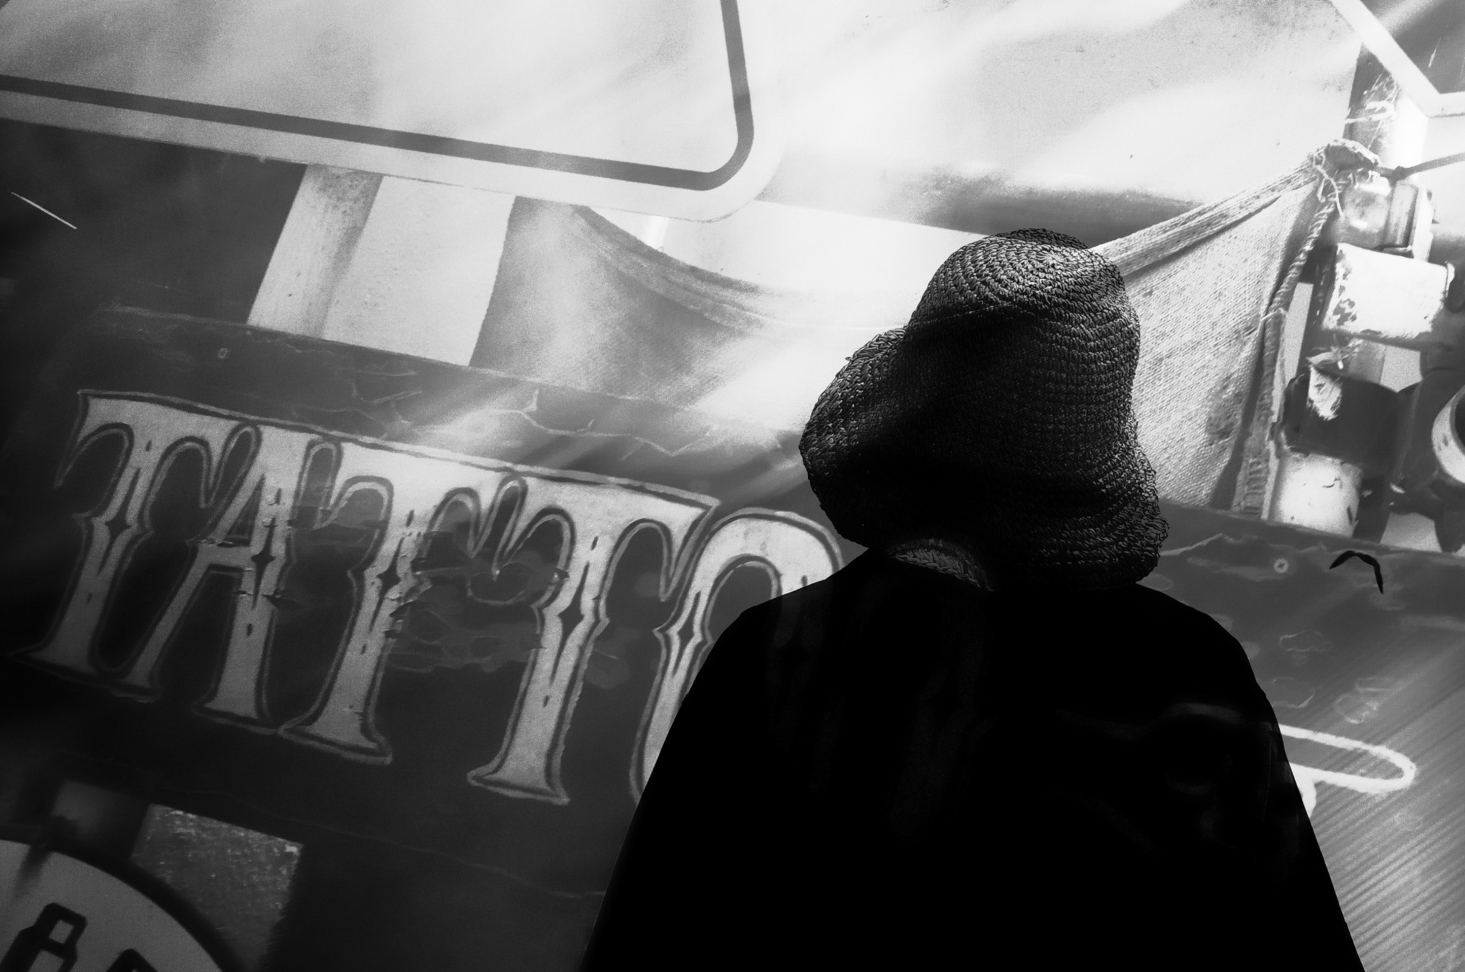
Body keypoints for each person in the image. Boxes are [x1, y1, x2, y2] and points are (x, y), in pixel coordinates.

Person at [582, 229, 1365, 971]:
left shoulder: (776, 650)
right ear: (1096, 436)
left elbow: (648, 935)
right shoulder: (1193, 674)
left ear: (911, 413)